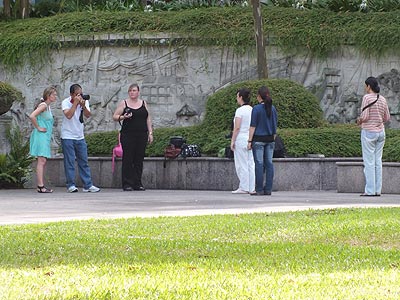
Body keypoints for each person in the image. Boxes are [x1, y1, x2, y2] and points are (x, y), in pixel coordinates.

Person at [113, 83, 154, 191]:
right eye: (130, 91)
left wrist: (150, 133)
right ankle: (127, 183)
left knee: (139, 159)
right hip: (128, 135)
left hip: (141, 134)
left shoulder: (144, 103)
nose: (132, 92)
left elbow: (148, 118)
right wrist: (123, 117)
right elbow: (115, 116)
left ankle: (137, 183)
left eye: (134, 90)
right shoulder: (124, 103)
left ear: (138, 92)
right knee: (128, 159)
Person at [61, 84, 100, 193]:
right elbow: (68, 115)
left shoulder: (84, 101)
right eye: (77, 94)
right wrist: (75, 104)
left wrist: (82, 105)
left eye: (81, 94)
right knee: (70, 161)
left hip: (80, 136)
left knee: (84, 161)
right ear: (71, 95)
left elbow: (88, 115)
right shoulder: (65, 102)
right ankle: (71, 185)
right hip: (67, 136)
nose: (80, 96)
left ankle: (88, 185)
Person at [356, 76, 390, 197]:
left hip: (369, 132)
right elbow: (387, 118)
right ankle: (377, 190)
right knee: (377, 161)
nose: (365, 88)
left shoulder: (366, 98)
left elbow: (364, 116)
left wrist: (359, 120)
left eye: (365, 86)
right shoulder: (382, 99)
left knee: (369, 162)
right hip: (381, 132)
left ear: (369, 86)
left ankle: (370, 191)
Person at [248, 86, 278, 196]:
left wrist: (249, 141)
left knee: (259, 164)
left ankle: (259, 189)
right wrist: (273, 138)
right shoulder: (272, 108)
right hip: (270, 139)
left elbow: (253, 126)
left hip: (258, 140)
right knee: (269, 164)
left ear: (259, 96)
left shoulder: (256, 109)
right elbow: (275, 126)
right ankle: (268, 189)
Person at [29, 86, 58, 193]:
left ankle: (40, 185)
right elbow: (32, 116)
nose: (55, 96)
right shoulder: (44, 105)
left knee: (42, 160)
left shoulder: (47, 106)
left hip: (45, 136)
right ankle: (40, 186)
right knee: (41, 160)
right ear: (48, 95)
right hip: (41, 135)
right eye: (54, 94)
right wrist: (38, 127)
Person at [230, 88, 255, 194]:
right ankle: (251, 186)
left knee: (241, 164)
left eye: (237, 96)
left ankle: (244, 186)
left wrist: (232, 141)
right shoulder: (252, 110)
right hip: (250, 138)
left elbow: (237, 127)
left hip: (241, 138)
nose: (237, 99)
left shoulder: (240, 111)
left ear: (240, 97)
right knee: (250, 163)